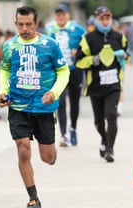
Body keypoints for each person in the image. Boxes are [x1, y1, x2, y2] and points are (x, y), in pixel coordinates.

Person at [0, 6, 70, 208]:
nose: (25, 28)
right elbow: (4, 70)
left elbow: (63, 71)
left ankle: (51, 154)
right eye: (20, 24)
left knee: (47, 157)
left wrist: (54, 92)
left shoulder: (50, 45)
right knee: (22, 148)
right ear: (16, 24)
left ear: (36, 24)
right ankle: (33, 198)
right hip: (18, 105)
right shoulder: (10, 46)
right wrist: (2, 92)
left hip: (43, 107)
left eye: (29, 24)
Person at [75, 6, 128, 163]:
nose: (105, 21)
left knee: (111, 116)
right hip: (96, 86)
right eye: (102, 19)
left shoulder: (119, 37)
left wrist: (125, 56)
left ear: (111, 19)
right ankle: (104, 140)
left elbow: (127, 57)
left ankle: (110, 150)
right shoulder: (88, 39)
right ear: (96, 20)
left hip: (114, 85)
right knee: (98, 122)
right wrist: (93, 60)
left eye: (107, 18)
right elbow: (78, 61)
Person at [45, 4, 85, 146]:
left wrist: (78, 53)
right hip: (58, 72)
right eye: (58, 14)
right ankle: (63, 134)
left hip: (75, 70)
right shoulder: (49, 31)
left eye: (63, 14)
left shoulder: (78, 30)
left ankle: (73, 128)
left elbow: (87, 47)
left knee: (74, 102)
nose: (60, 17)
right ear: (55, 16)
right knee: (60, 102)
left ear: (68, 15)